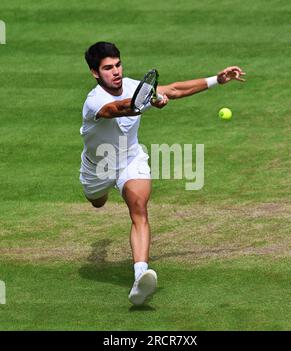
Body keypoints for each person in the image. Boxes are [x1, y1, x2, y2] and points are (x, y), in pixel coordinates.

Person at [80, 41, 245, 306]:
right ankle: (100, 196)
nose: (116, 71)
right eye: (108, 68)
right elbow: (119, 108)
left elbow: (175, 89)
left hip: (130, 159)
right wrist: (146, 103)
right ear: (95, 73)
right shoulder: (95, 101)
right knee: (97, 202)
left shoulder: (136, 87)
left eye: (118, 65)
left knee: (139, 207)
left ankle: (139, 277)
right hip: (97, 167)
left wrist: (217, 79)